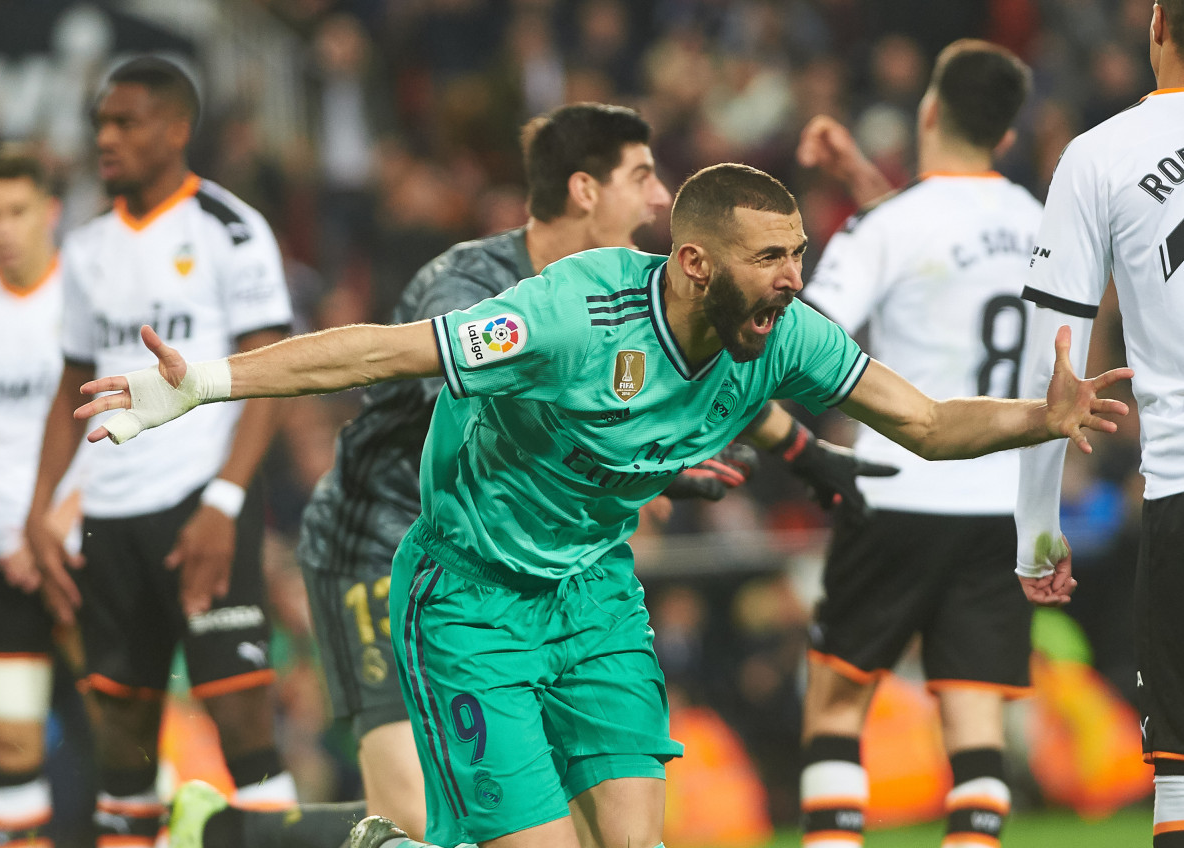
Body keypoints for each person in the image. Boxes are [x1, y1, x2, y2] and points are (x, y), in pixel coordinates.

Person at [73, 161, 1129, 848]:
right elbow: (388, 351)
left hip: (592, 598)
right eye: (771, 259)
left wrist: (1041, 417)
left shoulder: (787, 337)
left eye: (798, 255)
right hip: (469, 598)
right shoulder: (569, 314)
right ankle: (246, 830)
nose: (793, 280)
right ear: (693, 262)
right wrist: (202, 382)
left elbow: (928, 420)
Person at [169, 102, 895, 848]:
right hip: (392, 544)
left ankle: (243, 834)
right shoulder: (480, 285)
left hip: (550, 570)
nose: (655, 198)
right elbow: (422, 379)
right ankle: (241, 834)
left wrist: (797, 452)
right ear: (585, 191)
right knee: (419, 815)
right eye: (640, 177)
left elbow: (698, 386)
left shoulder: (643, 301)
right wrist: (634, 458)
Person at [24, 56, 298, 846]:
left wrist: (224, 502)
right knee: (121, 729)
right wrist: (43, 507)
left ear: (176, 129)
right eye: (100, 122)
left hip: (200, 505)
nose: (104, 137)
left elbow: (266, 373)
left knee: (241, 717)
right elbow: (72, 382)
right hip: (108, 515)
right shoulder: (84, 246)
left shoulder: (230, 229)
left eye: (125, 121)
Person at [793, 40, 1042, 847]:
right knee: (973, 718)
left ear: (927, 111)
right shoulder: (1040, 223)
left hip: (893, 485)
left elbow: (810, 331)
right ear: (1004, 136)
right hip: (1002, 503)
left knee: (835, 703)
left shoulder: (887, 225)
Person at [1013, 2, 1184, 844]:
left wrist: (1036, 533)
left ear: (1155, 26)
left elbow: (1053, 357)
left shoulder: (1100, 154)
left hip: (1180, 490)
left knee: (1180, 781)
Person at [0, 150, 78, 846]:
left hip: (83, 553)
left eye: (16, 211)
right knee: (11, 744)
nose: (2, 229)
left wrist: (49, 527)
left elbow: (119, 422)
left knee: (127, 733)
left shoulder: (86, 297)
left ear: (50, 212)